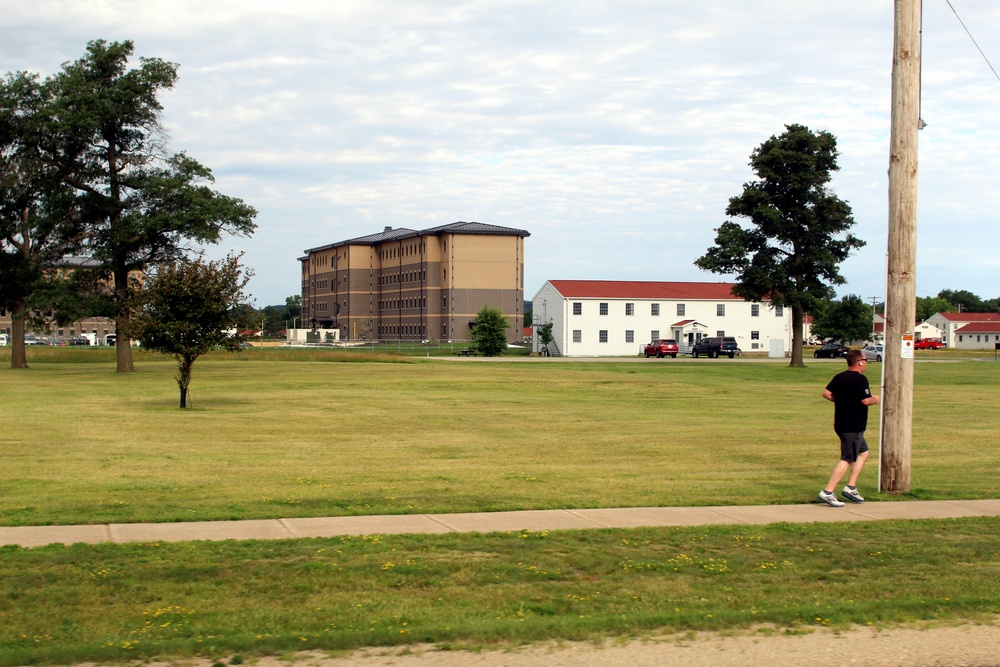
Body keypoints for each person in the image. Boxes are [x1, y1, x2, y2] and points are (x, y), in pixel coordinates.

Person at [819, 349, 880, 507]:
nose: (866, 363)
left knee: (864, 452)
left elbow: (826, 393)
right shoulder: (860, 379)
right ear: (860, 362)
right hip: (852, 425)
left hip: (841, 423)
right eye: (865, 360)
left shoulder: (840, 377)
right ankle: (828, 491)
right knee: (847, 458)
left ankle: (851, 487)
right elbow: (866, 401)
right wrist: (876, 399)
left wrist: (843, 401)